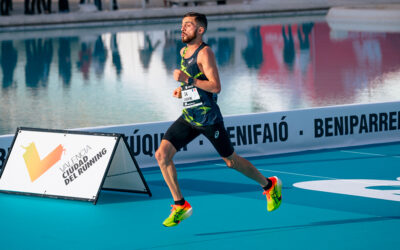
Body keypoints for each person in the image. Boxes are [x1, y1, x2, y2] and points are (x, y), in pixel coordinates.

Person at [155, 12, 282, 227]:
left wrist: (187, 79)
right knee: (162, 155)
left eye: (188, 25)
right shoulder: (183, 50)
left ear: (200, 30)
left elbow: (215, 86)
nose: (182, 28)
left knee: (231, 161)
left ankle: (269, 185)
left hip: (208, 118)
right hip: (189, 116)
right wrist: (182, 89)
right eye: (182, 25)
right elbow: (194, 83)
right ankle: (180, 205)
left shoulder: (206, 54)